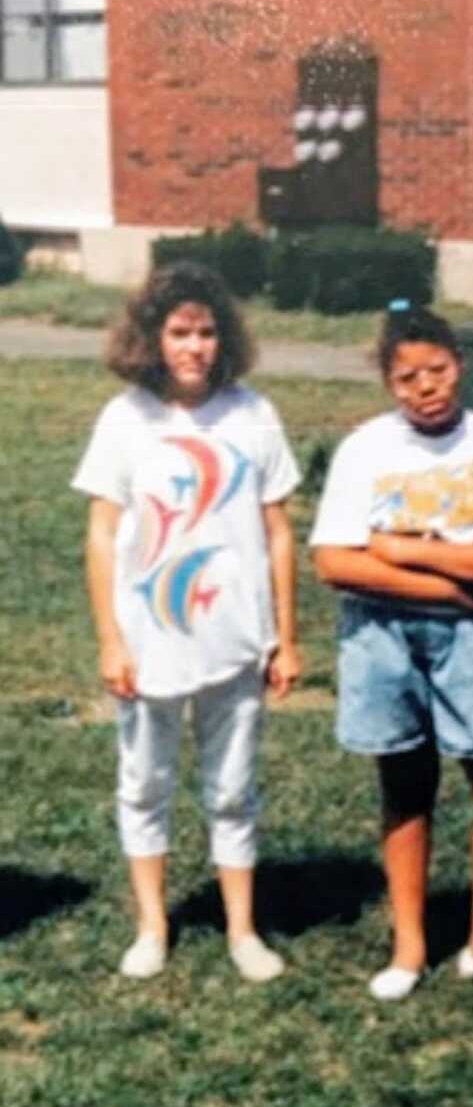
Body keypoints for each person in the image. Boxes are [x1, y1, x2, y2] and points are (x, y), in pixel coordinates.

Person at [310, 299, 473, 1000]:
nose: (425, 387)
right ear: (389, 384)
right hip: (380, 636)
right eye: (407, 378)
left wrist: (395, 548)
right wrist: (452, 585)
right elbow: (336, 564)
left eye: (436, 370)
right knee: (405, 783)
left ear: (459, 365)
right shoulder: (366, 448)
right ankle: (409, 946)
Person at [72, 262, 301, 981]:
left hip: (235, 638)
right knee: (145, 782)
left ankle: (241, 931)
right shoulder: (125, 418)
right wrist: (111, 638)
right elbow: (103, 534)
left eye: (205, 332)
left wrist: (285, 638)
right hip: (148, 643)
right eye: (179, 332)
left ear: (222, 337)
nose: (194, 347)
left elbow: (279, 532)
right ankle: (152, 926)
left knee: (231, 788)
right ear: (152, 337)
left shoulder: (253, 413)